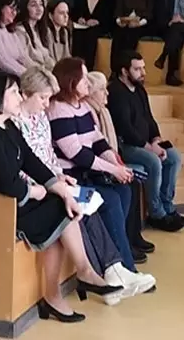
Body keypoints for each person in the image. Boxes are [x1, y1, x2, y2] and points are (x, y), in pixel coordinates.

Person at [0, 72, 121, 323]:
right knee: (59, 211)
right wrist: (36, 191)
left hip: (14, 201)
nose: (19, 96)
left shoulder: (6, 125)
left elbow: (31, 161)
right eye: (14, 92)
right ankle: (77, 276)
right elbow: (4, 182)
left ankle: (67, 284)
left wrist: (59, 188)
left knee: (62, 207)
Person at [12, 67, 156, 301]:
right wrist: (54, 182)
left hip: (55, 179)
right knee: (81, 206)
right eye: (43, 98)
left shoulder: (41, 117)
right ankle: (106, 272)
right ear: (25, 94)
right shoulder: (16, 122)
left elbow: (49, 156)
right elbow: (24, 165)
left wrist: (59, 175)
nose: (47, 104)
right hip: (37, 188)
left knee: (89, 201)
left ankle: (113, 270)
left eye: (48, 98)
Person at [48, 58, 139, 276]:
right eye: (83, 78)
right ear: (70, 81)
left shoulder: (83, 107)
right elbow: (77, 154)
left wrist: (116, 164)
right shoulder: (58, 109)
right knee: (111, 199)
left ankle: (117, 256)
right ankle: (125, 267)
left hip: (86, 173)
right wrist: (112, 169)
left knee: (125, 190)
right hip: (70, 178)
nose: (87, 82)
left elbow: (98, 141)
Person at [108, 52, 184, 232]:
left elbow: (149, 119)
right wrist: (149, 148)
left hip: (145, 143)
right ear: (124, 71)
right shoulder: (116, 92)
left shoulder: (139, 90)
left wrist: (156, 140)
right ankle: (156, 214)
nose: (143, 73)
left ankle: (168, 207)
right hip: (125, 146)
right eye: (137, 69)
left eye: (143, 68)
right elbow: (125, 128)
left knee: (174, 157)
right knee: (153, 161)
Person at [86, 71, 155, 264]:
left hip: (108, 163)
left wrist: (118, 166)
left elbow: (106, 146)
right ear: (90, 92)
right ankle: (123, 247)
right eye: (102, 90)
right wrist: (115, 168)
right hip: (92, 171)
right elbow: (88, 152)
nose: (106, 94)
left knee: (132, 180)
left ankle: (131, 238)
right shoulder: (87, 112)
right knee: (125, 185)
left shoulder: (102, 111)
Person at [110, 0, 153, 70]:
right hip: (124, 25)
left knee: (131, 35)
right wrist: (120, 21)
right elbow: (117, 11)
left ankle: (128, 67)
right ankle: (115, 69)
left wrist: (138, 23)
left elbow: (149, 14)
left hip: (141, 26)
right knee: (119, 35)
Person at [70, 0, 113, 71]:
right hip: (82, 25)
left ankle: (88, 69)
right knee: (78, 34)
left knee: (91, 35)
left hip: (99, 25)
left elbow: (109, 14)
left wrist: (97, 21)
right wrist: (79, 18)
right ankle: (76, 68)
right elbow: (75, 9)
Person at [0, 0, 30, 76]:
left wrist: (37, 71)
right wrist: (26, 75)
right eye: (11, 8)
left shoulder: (11, 31)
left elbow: (24, 57)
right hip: (5, 76)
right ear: (0, 7)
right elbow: (1, 59)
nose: (14, 13)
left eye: (16, 10)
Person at [14, 0, 54, 69]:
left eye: (41, 4)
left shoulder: (40, 30)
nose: (39, 8)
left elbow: (48, 57)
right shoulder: (20, 31)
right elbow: (24, 60)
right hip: (33, 73)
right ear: (25, 8)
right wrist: (43, 71)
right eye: (33, 5)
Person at [46, 0, 72, 64]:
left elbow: (67, 55)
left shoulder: (64, 32)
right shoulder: (47, 32)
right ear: (50, 15)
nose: (66, 16)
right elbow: (48, 57)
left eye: (67, 13)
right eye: (61, 13)